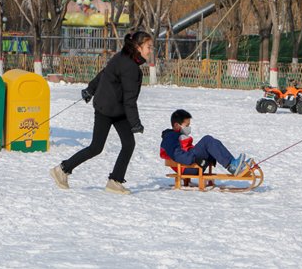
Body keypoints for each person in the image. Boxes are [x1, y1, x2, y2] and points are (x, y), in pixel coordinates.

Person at [50, 31, 153, 195]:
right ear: (138, 47)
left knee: (128, 144)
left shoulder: (122, 57)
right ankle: (62, 169)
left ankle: (115, 181)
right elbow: (129, 99)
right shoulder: (130, 67)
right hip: (107, 109)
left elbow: (104, 73)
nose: (150, 50)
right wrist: (135, 123)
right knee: (96, 147)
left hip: (116, 109)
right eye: (148, 47)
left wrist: (90, 89)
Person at [160, 109, 252, 176]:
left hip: (190, 165)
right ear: (176, 125)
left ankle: (234, 164)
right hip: (187, 167)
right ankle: (232, 166)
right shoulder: (170, 137)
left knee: (213, 142)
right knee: (207, 140)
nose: (188, 128)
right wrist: (195, 159)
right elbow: (177, 155)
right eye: (187, 125)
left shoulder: (176, 135)